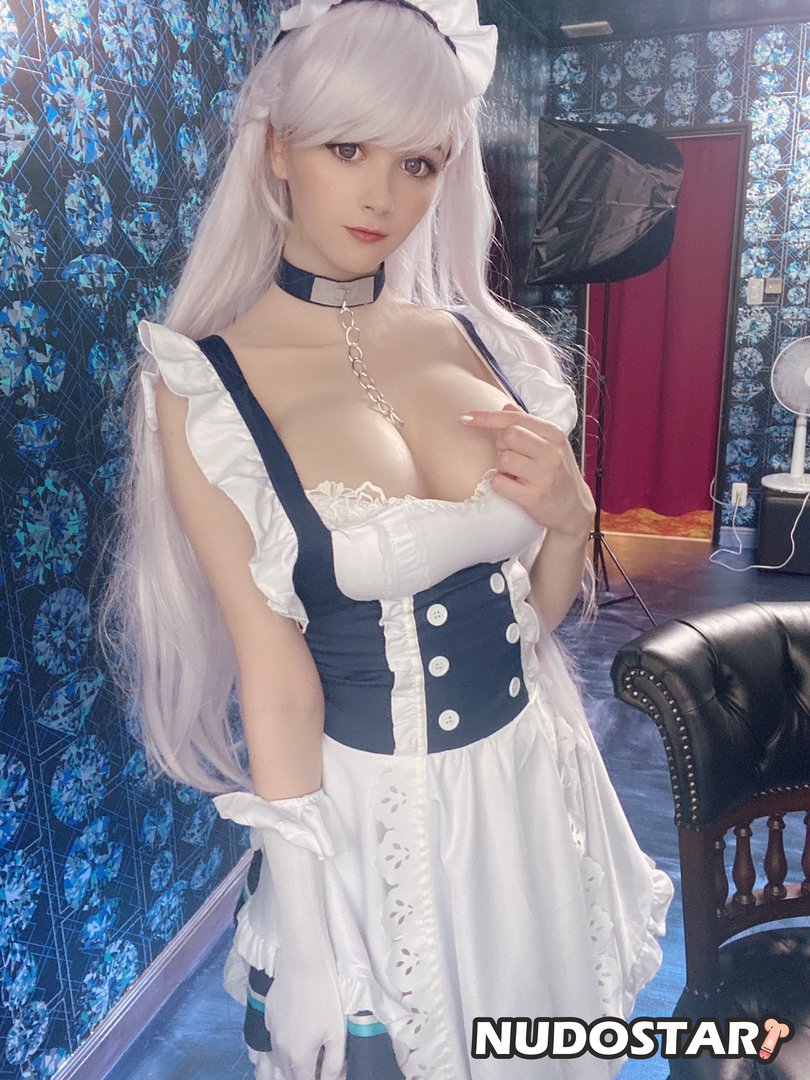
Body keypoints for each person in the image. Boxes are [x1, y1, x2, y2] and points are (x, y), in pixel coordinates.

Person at [100, 0, 673, 1077]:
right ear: (278, 148)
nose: (382, 196)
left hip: (529, 786)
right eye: (347, 149)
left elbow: (529, 619)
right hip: (376, 825)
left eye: (418, 164)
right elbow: (274, 676)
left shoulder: (469, 340)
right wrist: (309, 940)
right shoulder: (204, 387)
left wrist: (572, 521)